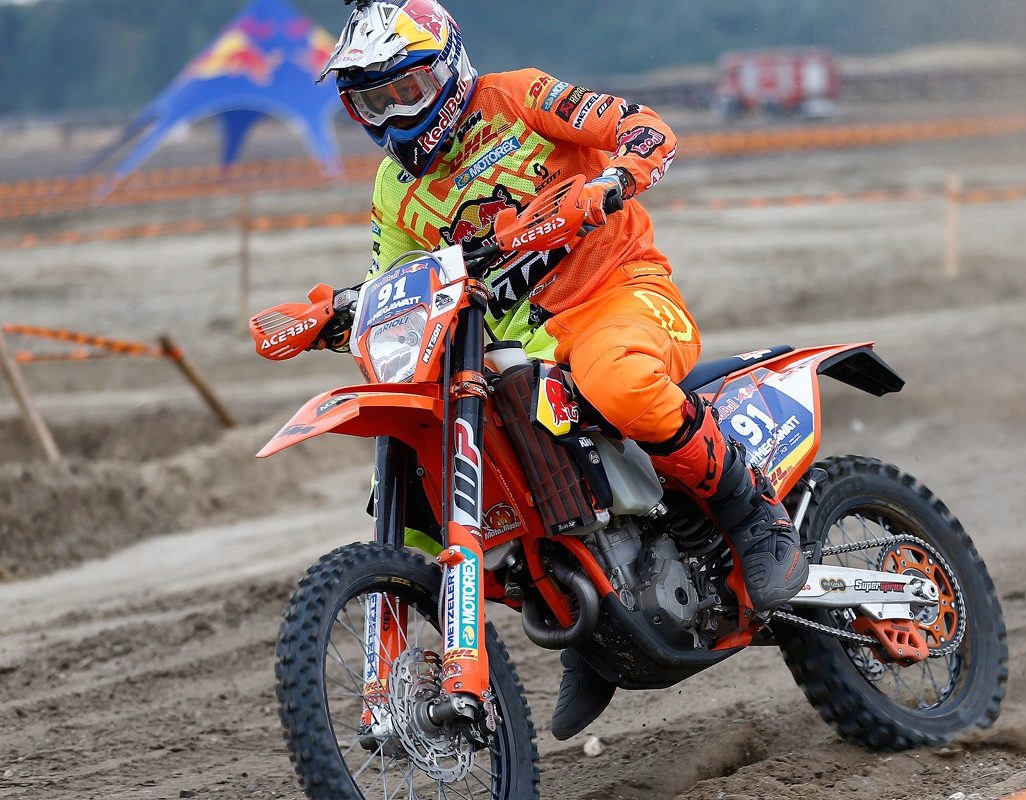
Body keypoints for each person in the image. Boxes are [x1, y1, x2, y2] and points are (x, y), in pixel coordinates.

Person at [319, 0, 805, 738]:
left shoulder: (518, 98)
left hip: (618, 292)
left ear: (447, 70)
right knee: (451, 473)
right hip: (519, 347)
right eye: (372, 100)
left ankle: (751, 512)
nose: (394, 114)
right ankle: (586, 620)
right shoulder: (395, 192)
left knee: (616, 383)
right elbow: (396, 280)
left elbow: (642, 127)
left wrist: (617, 176)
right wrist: (342, 310)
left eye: (407, 90)